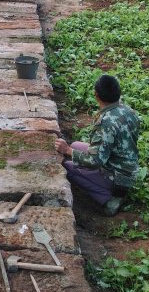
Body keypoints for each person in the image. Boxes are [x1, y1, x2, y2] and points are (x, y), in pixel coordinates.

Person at [54, 74, 140, 216]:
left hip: (117, 176)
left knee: (67, 167)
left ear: (96, 95)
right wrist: (72, 150)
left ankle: (110, 198)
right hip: (126, 165)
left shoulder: (106, 123)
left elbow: (95, 161)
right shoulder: (128, 111)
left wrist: (68, 150)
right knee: (76, 144)